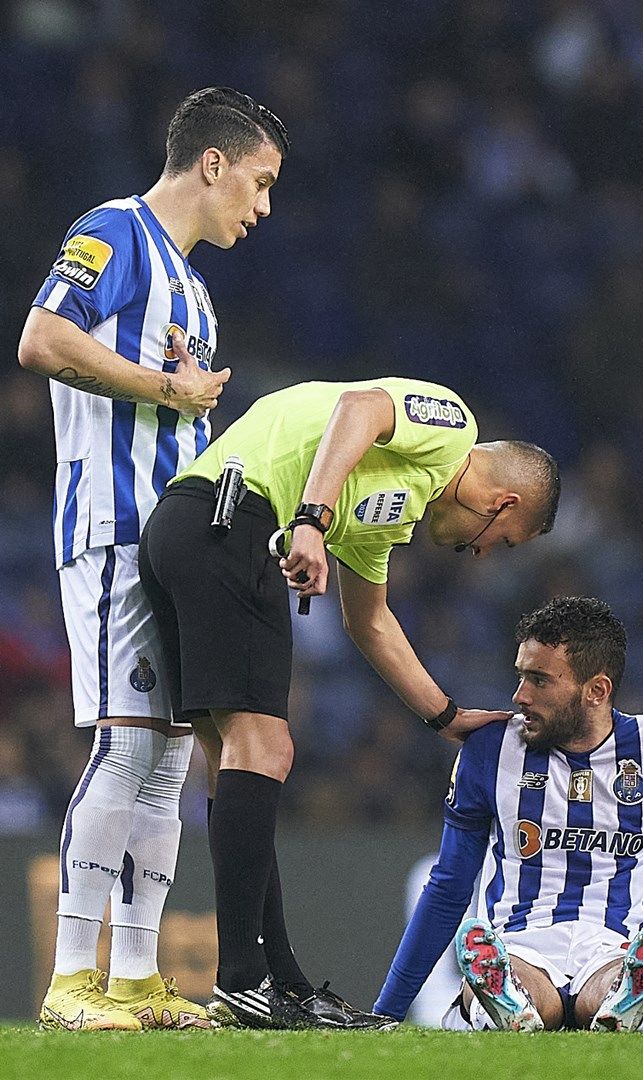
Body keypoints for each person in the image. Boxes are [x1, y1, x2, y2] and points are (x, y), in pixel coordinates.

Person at [139, 376, 560, 1028]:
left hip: (191, 531)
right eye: (499, 541)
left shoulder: (392, 508)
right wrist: (309, 519)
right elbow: (359, 407)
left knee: (236, 762)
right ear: (503, 503)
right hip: (232, 514)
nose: (479, 553)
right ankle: (245, 981)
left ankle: (279, 984)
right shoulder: (453, 426)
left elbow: (371, 622)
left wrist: (445, 716)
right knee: (268, 746)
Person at [16, 86, 285, 1031]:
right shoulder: (113, 232)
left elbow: (177, 411)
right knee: (127, 744)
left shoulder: (196, 291)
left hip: (175, 549)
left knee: (171, 759)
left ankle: (134, 976)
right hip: (110, 526)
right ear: (211, 162)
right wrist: (164, 385)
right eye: (256, 183)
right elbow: (41, 339)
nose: (261, 208)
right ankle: (68, 980)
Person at [370, 596, 643, 1031]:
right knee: (509, 984)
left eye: (539, 681)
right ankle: (508, 997)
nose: (519, 696)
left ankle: (625, 995)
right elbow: (449, 886)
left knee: (614, 985)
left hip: (621, 943)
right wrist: (386, 1014)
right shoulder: (490, 749)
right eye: (521, 676)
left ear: (596, 691)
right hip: (520, 943)